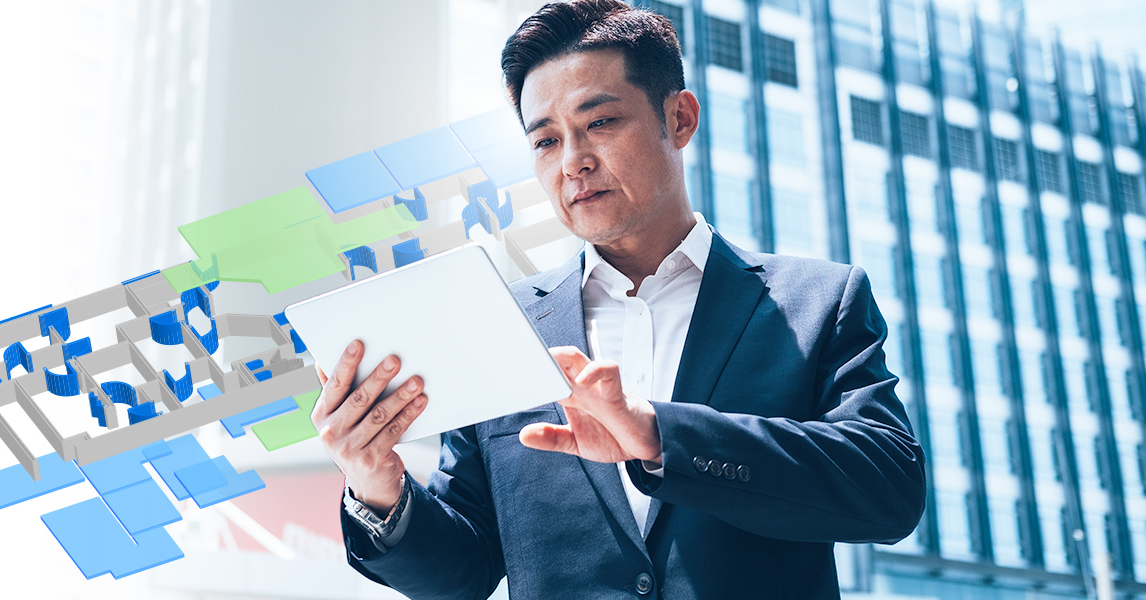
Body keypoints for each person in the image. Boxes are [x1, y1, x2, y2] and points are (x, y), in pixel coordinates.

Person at [309, 1, 926, 598]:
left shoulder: (816, 302)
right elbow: (462, 576)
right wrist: (377, 487)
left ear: (679, 118)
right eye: (546, 141)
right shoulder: (500, 324)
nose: (573, 162)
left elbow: (890, 490)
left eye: (599, 122)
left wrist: (660, 437)